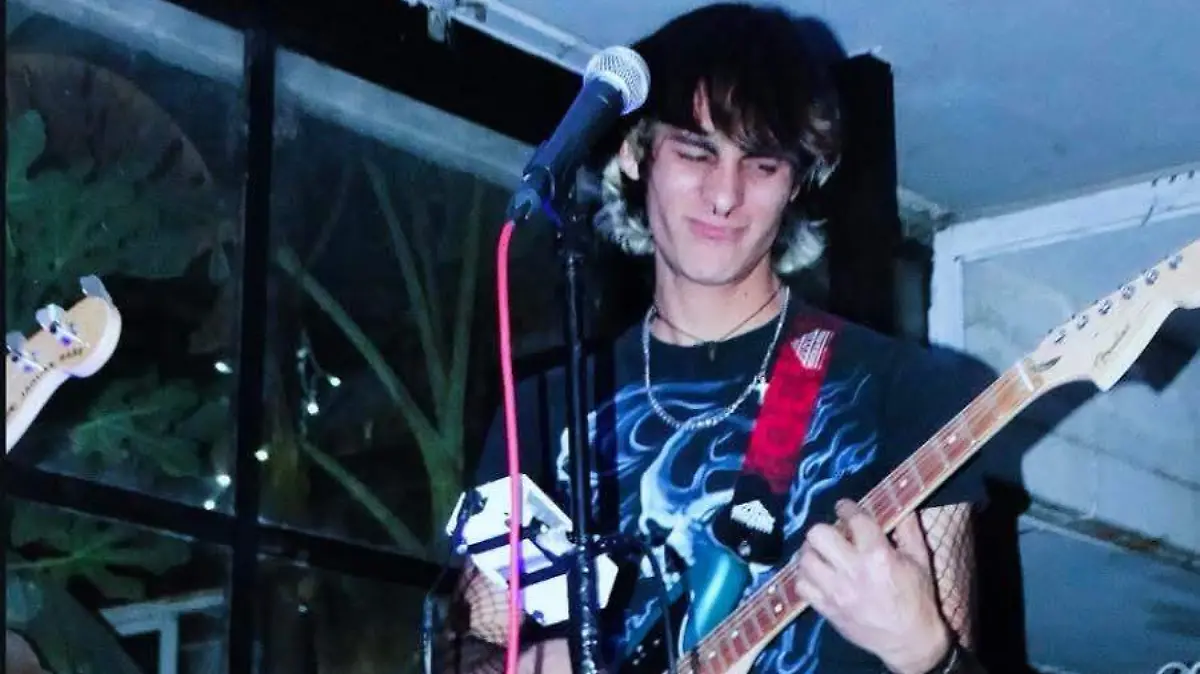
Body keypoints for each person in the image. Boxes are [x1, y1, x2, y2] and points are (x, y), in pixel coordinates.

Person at [440, 3, 1004, 673]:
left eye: (762, 165)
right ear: (635, 153)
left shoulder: (908, 393)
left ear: (797, 181)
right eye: (695, 151)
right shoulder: (543, 411)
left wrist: (925, 651)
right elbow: (470, 647)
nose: (725, 195)